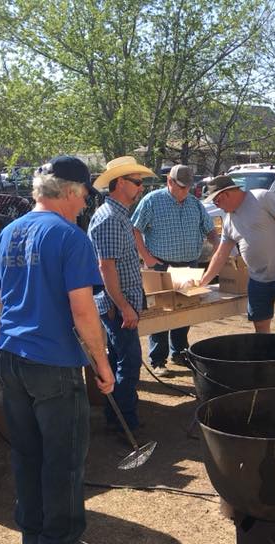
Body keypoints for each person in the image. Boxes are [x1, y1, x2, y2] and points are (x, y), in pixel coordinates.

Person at [0, 156, 114, 544]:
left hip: (9, 356)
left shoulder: (8, 232)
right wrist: (102, 362)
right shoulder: (70, 236)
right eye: (83, 197)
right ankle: (60, 543)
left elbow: (1, 295)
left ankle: (32, 536)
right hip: (51, 361)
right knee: (63, 456)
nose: (84, 206)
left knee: (27, 453)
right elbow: (83, 310)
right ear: (69, 192)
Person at [89, 155, 156, 432]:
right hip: (119, 305)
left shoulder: (118, 215)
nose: (141, 187)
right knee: (127, 364)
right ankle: (124, 422)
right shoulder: (109, 218)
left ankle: (116, 418)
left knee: (121, 360)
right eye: (137, 182)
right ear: (119, 183)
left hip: (122, 303)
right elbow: (106, 269)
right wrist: (125, 306)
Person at [132, 164, 217, 376]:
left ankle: (179, 352)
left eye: (188, 187)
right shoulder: (152, 201)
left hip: (189, 265)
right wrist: (148, 258)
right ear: (170, 182)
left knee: (184, 311)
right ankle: (158, 359)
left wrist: (220, 248)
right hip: (160, 265)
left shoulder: (194, 204)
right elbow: (134, 229)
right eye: (182, 187)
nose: (186, 191)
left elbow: (210, 231)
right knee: (160, 312)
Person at [198, 175, 275, 336]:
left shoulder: (262, 197)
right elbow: (220, 254)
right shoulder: (228, 221)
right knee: (260, 325)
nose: (217, 206)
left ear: (225, 195)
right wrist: (203, 281)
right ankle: (266, 359)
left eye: (216, 202)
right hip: (257, 281)